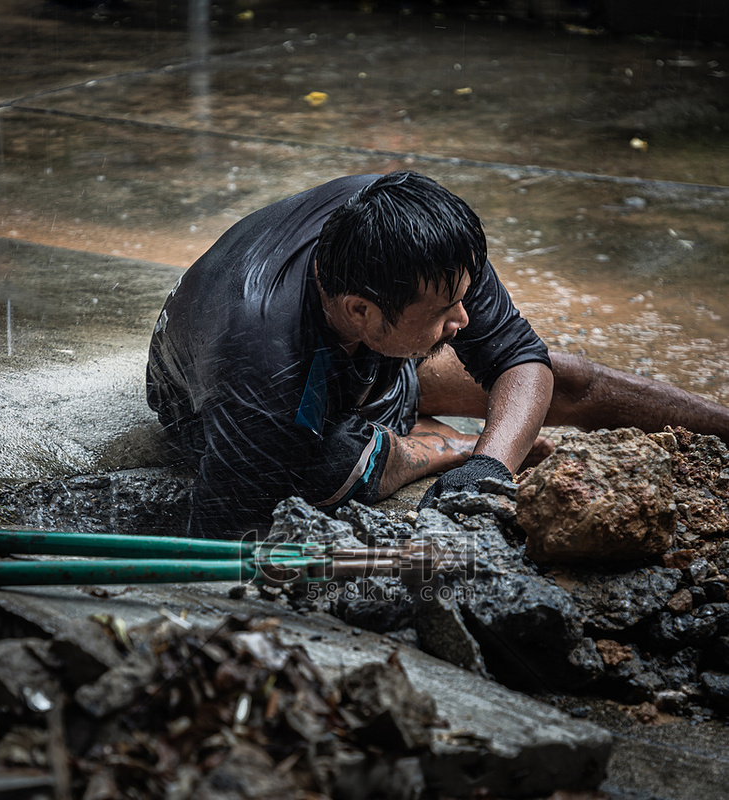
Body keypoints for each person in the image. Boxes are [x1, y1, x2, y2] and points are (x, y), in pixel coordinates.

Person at [146, 171, 729, 540]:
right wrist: (471, 451)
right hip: (210, 403)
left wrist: (490, 468)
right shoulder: (265, 383)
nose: (463, 319)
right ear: (361, 312)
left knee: (559, 377)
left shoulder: (413, 233)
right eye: (444, 310)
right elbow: (212, 551)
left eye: (461, 296)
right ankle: (434, 446)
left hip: (358, 355)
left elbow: (520, 358)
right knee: (324, 472)